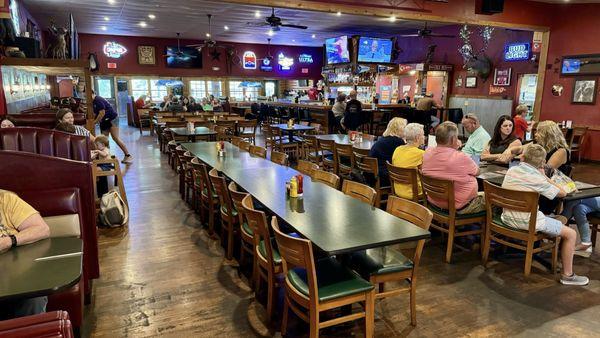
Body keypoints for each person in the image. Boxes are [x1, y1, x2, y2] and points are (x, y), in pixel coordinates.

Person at [501, 145, 589, 286]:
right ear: (542, 163)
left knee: (552, 219)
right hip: (528, 222)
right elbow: (563, 193)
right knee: (571, 234)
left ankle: (558, 223)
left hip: (506, 217)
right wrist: (545, 177)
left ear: (522, 158)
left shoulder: (512, 170)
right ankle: (568, 275)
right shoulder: (538, 178)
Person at [0, 190, 51, 319]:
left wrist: (8, 241)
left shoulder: (6, 199)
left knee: (34, 299)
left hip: (17, 277)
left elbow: (42, 229)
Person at [422, 121, 485, 214]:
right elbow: (477, 172)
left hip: (434, 201)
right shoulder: (460, 157)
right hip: (461, 206)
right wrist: (456, 150)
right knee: (496, 199)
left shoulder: (427, 152)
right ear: (452, 140)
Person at [92, 90, 133, 164]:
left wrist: (94, 122)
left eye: (86, 96)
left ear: (92, 94)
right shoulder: (92, 102)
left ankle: (128, 155)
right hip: (104, 120)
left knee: (115, 138)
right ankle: (107, 158)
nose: (85, 97)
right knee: (104, 140)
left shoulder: (97, 99)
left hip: (112, 119)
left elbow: (102, 113)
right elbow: (96, 113)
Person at [369, 117, 407, 187]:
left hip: (372, 174)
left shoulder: (383, 138)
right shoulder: (397, 141)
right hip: (383, 176)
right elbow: (404, 160)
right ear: (401, 129)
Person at [392, 123, 425, 200]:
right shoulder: (421, 154)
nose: (424, 137)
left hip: (397, 190)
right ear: (417, 138)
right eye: (423, 135)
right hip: (414, 193)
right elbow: (426, 175)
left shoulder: (397, 149)